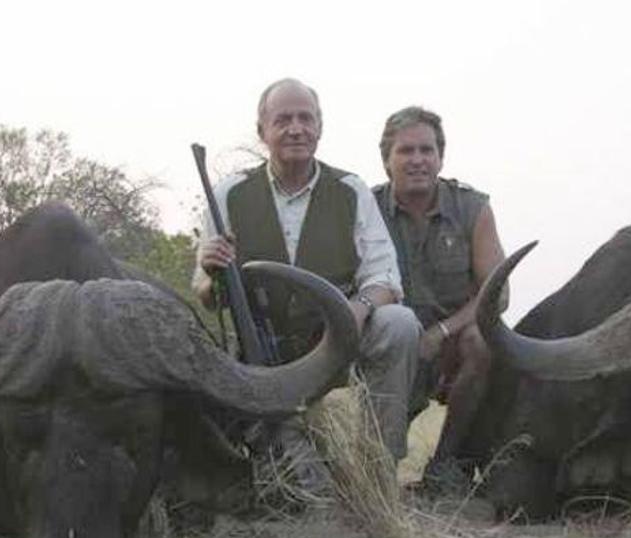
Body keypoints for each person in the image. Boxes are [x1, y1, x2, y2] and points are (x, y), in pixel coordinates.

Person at [192, 78, 420, 476]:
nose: (295, 128)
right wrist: (209, 272)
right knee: (301, 488)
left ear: (320, 127)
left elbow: (385, 276)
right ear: (262, 130)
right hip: (266, 360)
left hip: (335, 341)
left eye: (305, 118)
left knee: (399, 323)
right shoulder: (229, 194)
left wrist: (359, 310)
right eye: (282, 119)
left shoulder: (350, 190)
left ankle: (380, 467)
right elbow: (206, 295)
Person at [371, 106, 507, 486]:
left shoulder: (472, 207)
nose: (417, 160)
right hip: (389, 344)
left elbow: (497, 293)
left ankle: (447, 464)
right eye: (406, 151)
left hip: (449, 346)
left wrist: (441, 333)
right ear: (386, 160)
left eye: (426, 150)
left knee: (482, 342)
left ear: (440, 157)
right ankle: (374, 468)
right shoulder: (363, 208)